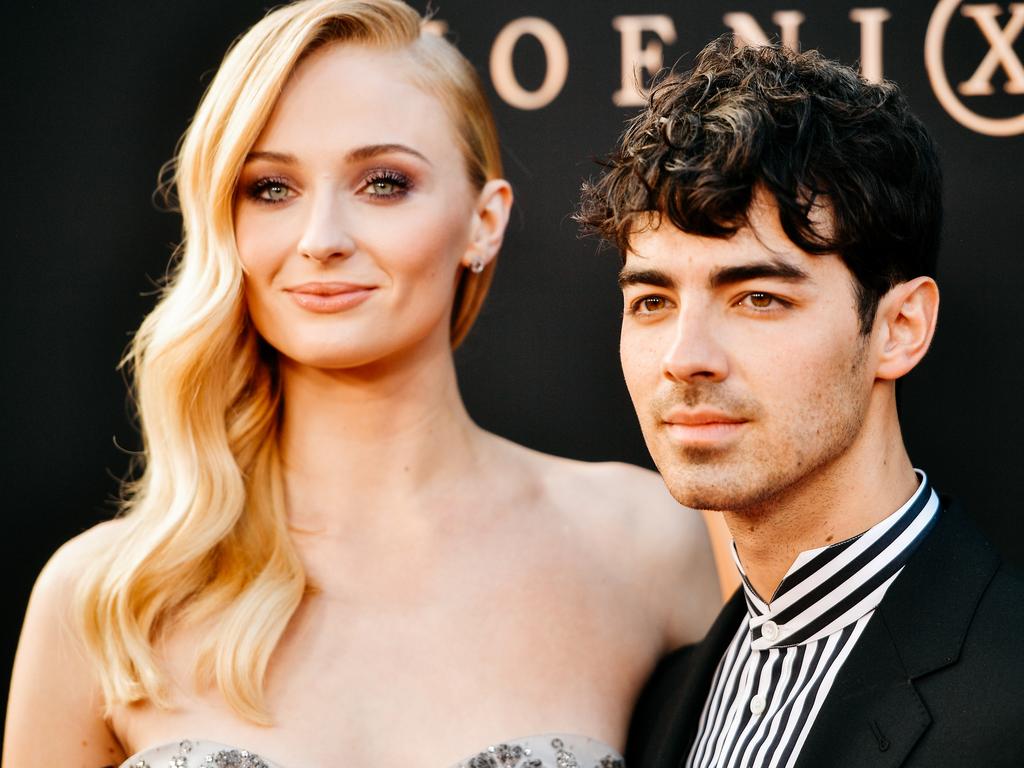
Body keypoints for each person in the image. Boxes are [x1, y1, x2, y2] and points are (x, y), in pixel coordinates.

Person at [2, 2, 723, 766]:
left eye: (383, 183)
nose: (321, 241)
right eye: (271, 189)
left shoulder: (647, 544)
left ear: (485, 222)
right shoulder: (106, 597)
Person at [577, 35, 1024, 768]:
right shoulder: (662, 704)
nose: (684, 356)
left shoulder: (1009, 692)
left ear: (899, 329)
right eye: (653, 300)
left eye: (757, 297)